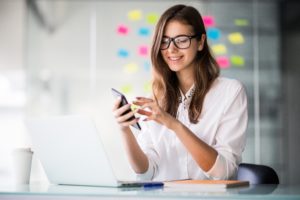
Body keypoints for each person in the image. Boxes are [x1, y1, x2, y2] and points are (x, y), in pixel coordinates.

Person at [112, 4, 248, 181]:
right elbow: (146, 172)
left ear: (200, 42)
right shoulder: (154, 98)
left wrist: (174, 125)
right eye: (164, 41)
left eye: (182, 40)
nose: (171, 49)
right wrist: (124, 130)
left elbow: (224, 172)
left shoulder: (230, 92)